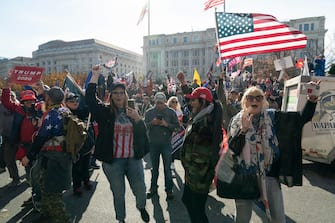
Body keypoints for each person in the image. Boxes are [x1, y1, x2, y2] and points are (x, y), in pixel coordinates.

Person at [227, 85, 318, 223]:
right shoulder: (236, 121)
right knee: (242, 218)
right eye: (250, 97)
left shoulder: (273, 117)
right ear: (244, 101)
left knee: (278, 218)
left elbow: (300, 118)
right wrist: (244, 130)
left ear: (263, 101)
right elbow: (232, 149)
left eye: (258, 97)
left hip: (269, 174)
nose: (254, 100)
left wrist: (312, 100)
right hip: (245, 175)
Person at [85, 74, 150, 223]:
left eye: (121, 93)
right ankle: (121, 219)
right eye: (115, 93)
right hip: (113, 162)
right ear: (111, 96)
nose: (119, 96)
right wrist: (94, 76)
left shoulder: (132, 111)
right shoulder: (105, 112)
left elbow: (143, 135)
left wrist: (138, 120)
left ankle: (141, 207)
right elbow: (90, 99)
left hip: (133, 159)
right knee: (118, 192)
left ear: (125, 95)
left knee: (140, 189)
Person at [21, 86, 72, 222]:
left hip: (53, 156)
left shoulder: (52, 114)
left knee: (52, 191)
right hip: (63, 155)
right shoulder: (65, 110)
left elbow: (41, 137)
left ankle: (63, 219)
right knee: (45, 185)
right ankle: (45, 212)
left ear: (49, 99)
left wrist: (29, 156)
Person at [178, 83, 223, 223]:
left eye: (193, 100)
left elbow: (202, 156)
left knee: (197, 210)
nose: (190, 103)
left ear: (203, 102)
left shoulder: (206, 123)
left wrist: (191, 171)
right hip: (192, 173)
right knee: (188, 202)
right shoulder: (199, 116)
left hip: (199, 176)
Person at [144, 92, 180, 200]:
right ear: (154, 101)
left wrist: (167, 125)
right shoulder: (149, 112)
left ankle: (169, 190)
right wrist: (152, 123)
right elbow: (143, 126)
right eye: (157, 102)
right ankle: (153, 188)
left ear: (165, 101)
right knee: (154, 168)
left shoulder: (171, 112)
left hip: (166, 144)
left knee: (167, 169)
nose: (159, 105)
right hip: (153, 144)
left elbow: (177, 127)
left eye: (161, 102)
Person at [64, 92, 95, 196]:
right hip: (75, 146)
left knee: (86, 165)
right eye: (71, 101)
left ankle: (86, 181)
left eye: (76, 100)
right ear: (66, 102)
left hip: (86, 144)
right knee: (76, 167)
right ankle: (77, 186)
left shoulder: (82, 111)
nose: (75, 103)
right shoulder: (66, 114)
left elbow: (90, 109)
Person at [0, 89, 19, 183]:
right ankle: (15, 178)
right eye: (8, 97)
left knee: (25, 159)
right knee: (9, 159)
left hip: (19, 137)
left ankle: (29, 178)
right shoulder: (1, 106)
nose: (10, 99)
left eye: (12, 96)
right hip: (7, 137)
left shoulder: (18, 106)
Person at [167, 96, 183, 177]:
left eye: (176, 102)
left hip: (178, 134)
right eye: (173, 101)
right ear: (170, 102)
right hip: (169, 133)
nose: (175, 103)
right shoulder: (167, 111)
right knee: (171, 150)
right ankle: (171, 167)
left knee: (178, 149)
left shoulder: (179, 112)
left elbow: (181, 122)